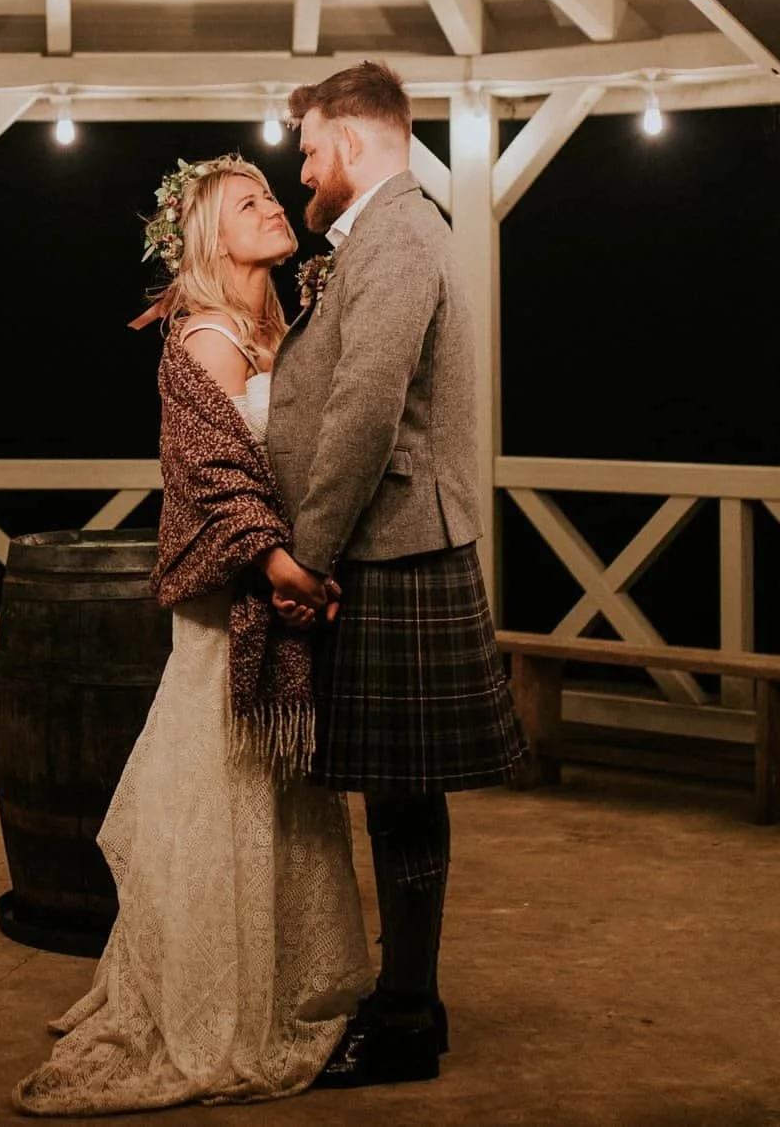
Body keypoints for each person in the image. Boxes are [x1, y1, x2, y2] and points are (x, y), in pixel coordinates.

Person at [13, 156, 372, 1115]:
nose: (272, 206)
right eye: (249, 202)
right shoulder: (207, 340)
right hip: (230, 613)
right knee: (224, 792)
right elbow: (210, 477)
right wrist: (281, 568)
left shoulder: (280, 329)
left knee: (276, 798)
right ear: (213, 238)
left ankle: (289, 978)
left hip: (288, 588)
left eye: (270, 193)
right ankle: (220, 1001)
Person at [266, 60, 528, 1090]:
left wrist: (307, 555)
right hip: (393, 542)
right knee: (400, 796)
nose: (300, 166)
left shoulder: (401, 232)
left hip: (393, 544)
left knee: (402, 794)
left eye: (307, 147)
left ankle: (408, 1014)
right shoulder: (384, 234)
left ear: (351, 141)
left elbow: (366, 411)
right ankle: (410, 994)